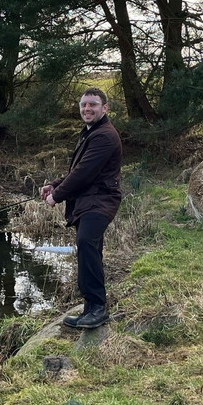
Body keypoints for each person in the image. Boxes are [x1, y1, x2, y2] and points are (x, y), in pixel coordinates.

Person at [40, 87, 123, 329]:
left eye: (93, 105)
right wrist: (53, 185)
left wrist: (57, 196)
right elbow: (76, 170)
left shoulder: (104, 135)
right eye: (84, 105)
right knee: (89, 248)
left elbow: (84, 174)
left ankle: (97, 308)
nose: (87, 109)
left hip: (100, 200)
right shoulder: (90, 132)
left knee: (87, 244)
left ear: (105, 108)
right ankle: (91, 307)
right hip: (90, 200)